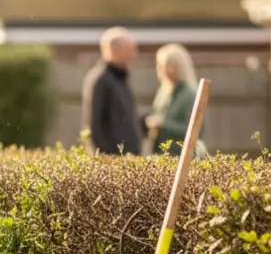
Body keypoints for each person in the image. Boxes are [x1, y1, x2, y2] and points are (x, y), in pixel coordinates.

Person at [80, 26, 142, 155]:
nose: (134, 54)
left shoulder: (120, 77)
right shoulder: (101, 80)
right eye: (129, 49)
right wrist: (106, 157)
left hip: (128, 156)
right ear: (113, 50)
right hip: (113, 158)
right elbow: (95, 125)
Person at [144, 43, 207, 158]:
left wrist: (162, 124)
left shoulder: (189, 95)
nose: (159, 69)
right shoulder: (163, 93)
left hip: (181, 156)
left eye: (162, 65)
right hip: (161, 155)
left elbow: (195, 131)